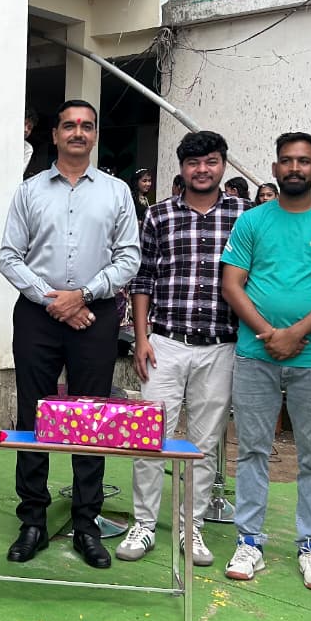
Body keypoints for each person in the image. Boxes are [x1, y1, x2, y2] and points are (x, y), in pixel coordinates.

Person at [0, 99, 140, 569]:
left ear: (94, 135)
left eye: (86, 126)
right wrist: (54, 300)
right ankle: (32, 521)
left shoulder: (117, 192)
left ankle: (86, 524)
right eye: (69, 125)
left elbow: (129, 257)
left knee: (91, 418)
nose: (78, 132)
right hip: (38, 316)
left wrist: (83, 295)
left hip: (94, 316)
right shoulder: (29, 191)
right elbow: (9, 257)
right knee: (32, 416)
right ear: (55, 134)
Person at [219, 132, 311, 591]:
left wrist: (295, 334)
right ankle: (249, 541)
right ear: (275, 169)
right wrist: (268, 333)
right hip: (255, 355)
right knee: (252, 450)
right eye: (287, 161)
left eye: (304, 161)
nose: (295, 168)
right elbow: (232, 284)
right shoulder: (252, 221)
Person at [117, 131, 246, 568]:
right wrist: (141, 338)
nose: (202, 170)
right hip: (165, 344)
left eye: (211, 161)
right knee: (150, 437)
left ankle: (192, 526)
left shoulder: (244, 215)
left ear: (222, 164)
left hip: (221, 346)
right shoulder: (159, 215)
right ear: (182, 168)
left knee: (204, 444)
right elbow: (143, 279)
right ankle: (144, 523)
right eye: (193, 163)